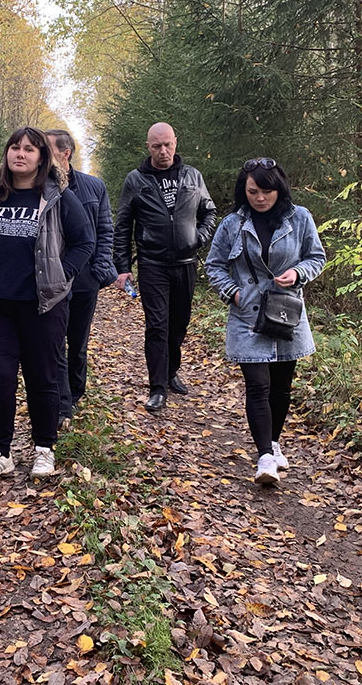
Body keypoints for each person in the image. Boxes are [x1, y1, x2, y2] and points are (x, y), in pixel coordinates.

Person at [0, 127, 95, 485]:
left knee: (42, 377)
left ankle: (44, 448)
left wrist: (62, 276)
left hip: (42, 305)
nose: (19, 154)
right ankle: (0, 454)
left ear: (42, 157)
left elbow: (85, 242)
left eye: (28, 149)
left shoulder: (58, 198)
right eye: (14, 147)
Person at [204, 158, 325, 485]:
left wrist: (299, 272)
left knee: (281, 388)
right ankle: (265, 458)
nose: (260, 198)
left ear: (278, 188)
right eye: (253, 191)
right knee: (258, 385)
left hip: (287, 312)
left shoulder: (299, 218)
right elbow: (213, 265)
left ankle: (273, 442)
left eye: (266, 191)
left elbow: (317, 257)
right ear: (244, 192)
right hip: (247, 313)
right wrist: (232, 292)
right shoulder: (232, 224)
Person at [112, 122, 216, 412]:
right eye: (157, 145)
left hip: (185, 264)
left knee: (179, 323)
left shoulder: (192, 176)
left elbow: (209, 211)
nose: (163, 151)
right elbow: (123, 225)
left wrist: (199, 238)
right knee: (157, 325)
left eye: (167, 144)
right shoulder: (136, 180)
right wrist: (122, 266)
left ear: (175, 142)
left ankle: (171, 371)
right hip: (152, 264)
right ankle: (157, 387)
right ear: (148, 147)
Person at [44, 129, 117, 420]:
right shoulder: (39, 188)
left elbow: (105, 230)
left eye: (46, 149)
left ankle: (75, 392)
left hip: (85, 279)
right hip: (51, 280)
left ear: (65, 153)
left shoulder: (93, 187)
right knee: (54, 341)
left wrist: (99, 271)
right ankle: (62, 404)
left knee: (77, 342)